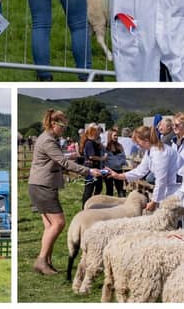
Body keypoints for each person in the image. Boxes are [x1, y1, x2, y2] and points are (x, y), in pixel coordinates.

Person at [28, 109, 102, 275]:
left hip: (39, 185)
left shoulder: (47, 138)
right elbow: (61, 161)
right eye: (62, 125)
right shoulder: (48, 140)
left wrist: (71, 157)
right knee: (59, 223)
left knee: (50, 225)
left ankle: (46, 260)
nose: (64, 128)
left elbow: (58, 159)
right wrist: (89, 171)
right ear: (53, 124)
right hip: (43, 186)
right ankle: (41, 260)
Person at [108, 125, 178, 212]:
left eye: (138, 142)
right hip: (168, 189)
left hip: (176, 189)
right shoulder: (150, 151)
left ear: (146, 140)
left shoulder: (160, 153)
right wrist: (119, 176)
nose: (137, 145)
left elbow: (161, 180)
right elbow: (140, 171)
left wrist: (154, 201)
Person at [80, 124, 105, 207]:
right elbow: (91, 156)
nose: (99, 133)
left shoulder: (93, 142)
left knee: (99, 187)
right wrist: (102, 158)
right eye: (98, 131)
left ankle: (93, 204)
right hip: (90, 169)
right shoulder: (89, 142)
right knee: (89, 189)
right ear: (93, 132)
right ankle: (85, 208)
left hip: (96, 168)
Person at [104, 130, 127, 197]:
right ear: (110, 136)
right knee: (109, 190)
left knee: (120, 189)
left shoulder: (120, 146)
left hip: (118, 170)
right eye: (114, 135)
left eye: (117, 135)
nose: (116, 137)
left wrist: (121, 162)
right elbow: (105, 159)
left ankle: (122, 204)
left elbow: (123, 157)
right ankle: (109, 205)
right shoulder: (106, 147)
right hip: (108, 170)